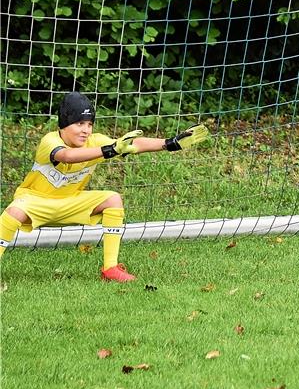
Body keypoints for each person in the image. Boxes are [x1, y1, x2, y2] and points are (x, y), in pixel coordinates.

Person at [0, 92, 209, 282]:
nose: (86, 130)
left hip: (71, 202)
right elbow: (67, 156)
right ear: (64, 124)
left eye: (89, 124)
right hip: (36, 202)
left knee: (113, 198)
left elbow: (133, 145)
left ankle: (110, 269)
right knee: (14, 212)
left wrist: (169, 143)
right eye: (79, 123)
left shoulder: (96, 141)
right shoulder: (50, 140)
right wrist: (109, 150)